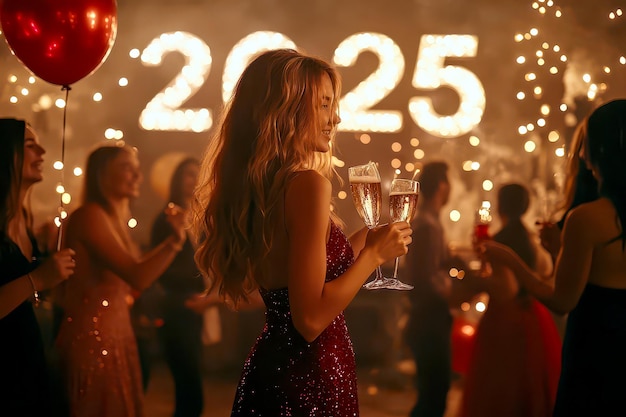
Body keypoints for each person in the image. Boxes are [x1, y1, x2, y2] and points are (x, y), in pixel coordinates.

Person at [192, 48, 412, 416]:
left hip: (277, 369)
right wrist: (374, 256)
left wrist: (366, 240)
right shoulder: (307, 184)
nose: (336, 118)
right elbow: (309, 320)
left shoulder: (267, 185)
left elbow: (302, 271)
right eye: (324, 105)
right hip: (307, 375)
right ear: (287, 109)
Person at [483, 99, 626, 416]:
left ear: (595, 150)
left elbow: (562, 299)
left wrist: (509, 260)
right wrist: (560, 251)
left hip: (597, 346)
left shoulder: (586, 219)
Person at [54, 143, 187, 417]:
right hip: (93, 339)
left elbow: (134, 282)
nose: (137, 176)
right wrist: (173, 243)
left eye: (137, 169)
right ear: (102, 174)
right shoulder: (90, 215)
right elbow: (138, 276)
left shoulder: (116, 220)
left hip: (117, 335)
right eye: (127, 168)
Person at [461, 183, 561, 417]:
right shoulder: (531, 237)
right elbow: (545, 275)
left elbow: (506, 289)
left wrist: (473, 279)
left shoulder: (500, 240)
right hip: (533, 319)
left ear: (500, 206)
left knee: (500, 392)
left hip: (504, 322)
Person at [0, 118, 76, 416]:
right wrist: (37, 279)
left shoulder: (24, 219)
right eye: (30, 145)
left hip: (28, 357)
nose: (42, 151)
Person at [148, 157, 210, 417]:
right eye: (187, 175)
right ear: (176, 181)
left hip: (198, 301)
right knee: (188, 380)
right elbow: (159, 267)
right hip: (177, 303)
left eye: (197, 174)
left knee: (192, 376)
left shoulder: (201, 218)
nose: (193, 180)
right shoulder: (165, 220)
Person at [402, 161, 453, 417]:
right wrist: (455, 293)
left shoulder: (428, 222)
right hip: (429, 320)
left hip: (426, 318)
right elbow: (426, 280)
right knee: (433, 395)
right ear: (442, 186)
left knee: (432, 393)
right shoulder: (427, 226)